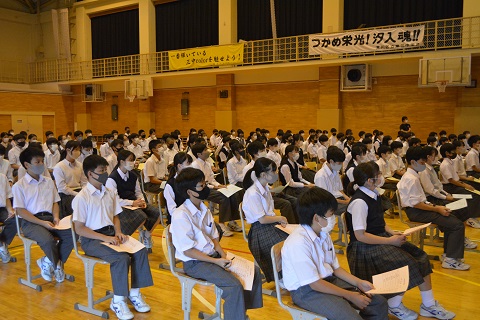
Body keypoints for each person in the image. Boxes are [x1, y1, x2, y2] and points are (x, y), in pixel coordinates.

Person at [346, 161, 455, 320]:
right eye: (379, 175)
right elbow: (360, 235)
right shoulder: (359, 202)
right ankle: (394, 306)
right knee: (406, 264)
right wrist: (390, 241)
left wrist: (392, 232)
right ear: (370, 180)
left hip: (379, 239)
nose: (381, 178)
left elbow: (379, 222)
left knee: (421, 257)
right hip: (363, 248)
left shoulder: (374, 194)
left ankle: (428, 304)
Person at [282, 187, 388, 320]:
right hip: (307, 291)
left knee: (378, 303)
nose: (333, 218)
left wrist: (359, 282)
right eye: (330, 214)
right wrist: (349, 295)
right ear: (316, 218)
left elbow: (336, 268)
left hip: (328, 280)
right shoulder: (298, 243)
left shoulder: (323, 234)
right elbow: (315, 284)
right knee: (351, 317)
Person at [170, 167, 263, 320]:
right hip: (196, 262)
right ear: (189, 192)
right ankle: (237, 314)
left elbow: (213, 236)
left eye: (205, 184)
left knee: (253, 272)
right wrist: (216, 261)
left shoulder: (203, 209)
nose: (205, 188)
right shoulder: (181, 215)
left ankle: (239, 313)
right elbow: (188, 251)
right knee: (234, 286)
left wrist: (222, 254)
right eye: (201, 186)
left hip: (213, 256)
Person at [72, 154, 153, 319]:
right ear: (89, 174)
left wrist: (118, 232)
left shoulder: (109, 192)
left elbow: (115, 216)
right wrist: (106, 239)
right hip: (92, 240)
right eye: (101, 171)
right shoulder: (82, 198)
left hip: (111, 233)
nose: (105, 174)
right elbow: (79, 229)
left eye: (105, 170)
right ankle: (117, 300)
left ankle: (134, 294)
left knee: (140, 251)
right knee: (121, 258)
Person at [398, 147, 470, 270]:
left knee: (452, 221)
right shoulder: (411, 178)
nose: (423, 165)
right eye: (421, 163)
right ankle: (450, 260)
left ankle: (448, 255)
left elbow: (421, 201)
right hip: (416, 212)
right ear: (413, 162)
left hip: (420, 208)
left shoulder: (412, 175)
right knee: (456, 225)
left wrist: (437, 207)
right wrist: (437, 209)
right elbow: (416, 204)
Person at [13, 147, 73, 282]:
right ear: (27, 165)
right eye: (37, 162)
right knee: (47, 240)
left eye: (42, 161)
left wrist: (56, 217)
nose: (41, 164)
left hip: (50, 218)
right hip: (31, 222)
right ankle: (57, 266)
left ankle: (47, 262)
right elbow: (20, 211)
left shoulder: (48, 181)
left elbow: (55, 202)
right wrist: (41, 223)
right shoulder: (19, 186)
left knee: (73, 234)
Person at [242, 157, 289, 281]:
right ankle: (283, 277)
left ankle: (290, 274)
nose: (276, 174)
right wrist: (281, 217)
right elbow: (262, 219)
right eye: (273, 171)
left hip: (270, 225)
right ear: (263, 174)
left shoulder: (265, 188)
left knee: (292, 239)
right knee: (285, 245)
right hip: (259, 230)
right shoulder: (253, 193)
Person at [106, 150, 161, 250]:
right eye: (130, 160)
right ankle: (127, 239)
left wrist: (142, 201)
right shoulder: (112, 178)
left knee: (158, 213)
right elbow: (115, 200)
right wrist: (132, 203)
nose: (133, 162)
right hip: (122, 205)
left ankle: (147, 236)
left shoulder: (133, 176)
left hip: (135, 202)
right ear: (122, 162)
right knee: (141, 216)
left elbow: (138, 191)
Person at [191, 143, 241, 236]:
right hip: (200, 190)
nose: (208, 151)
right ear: (199, 154)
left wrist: (219, 185)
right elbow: (201, 183)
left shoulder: (207, 163)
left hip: (210, 187)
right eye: (205, 150)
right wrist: (215, 187)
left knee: (233, 194)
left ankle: (231, 221)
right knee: (223, 197)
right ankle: (222, 224)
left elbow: (211, 179)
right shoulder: (195, 165)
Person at [53, 140, 85, 218]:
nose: (78, 152)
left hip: (79, 191)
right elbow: (62, 188)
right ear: (68, 150)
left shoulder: (80, 165)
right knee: (79, 205)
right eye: (76, 150)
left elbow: (84, 182)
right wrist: (77, 194)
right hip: (66, 195)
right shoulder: (59, 167)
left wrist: (85, 192)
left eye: (79, 150)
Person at [314, 146, 349, 216]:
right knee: (352, 209)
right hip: (329, 204)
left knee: (357, 203)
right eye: (339, 163)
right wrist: (345, 202)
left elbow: (340, 190)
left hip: (338, 199)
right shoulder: (321, 176)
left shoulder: (335, 171)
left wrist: (347, 198)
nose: (341, 165)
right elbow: (325, 199)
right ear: (331, 161)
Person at [0, 173, 16, 263]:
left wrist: (10, 210)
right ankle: (2, 247)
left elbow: (6, 197)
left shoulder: (2, 177)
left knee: (16, 220)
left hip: (2, 209)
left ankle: (2, 244)